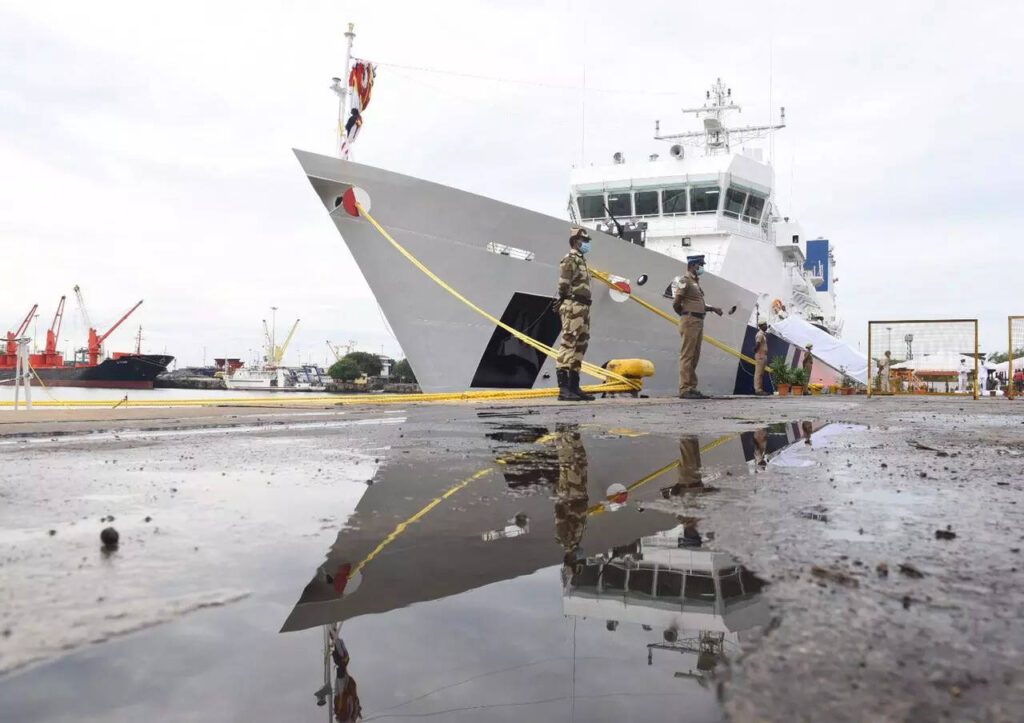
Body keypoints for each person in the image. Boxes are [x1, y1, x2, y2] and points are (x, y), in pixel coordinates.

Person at [673, 255, 724, 399]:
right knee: (687, 355)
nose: (702, 268)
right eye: (700, 265)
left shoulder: (695, 283)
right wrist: (685, 315)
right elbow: (676, 302)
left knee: (695, 356)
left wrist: (713, 308)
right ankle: (684, 389)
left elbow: (697, 304)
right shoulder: (685, 281)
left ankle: (691, 387)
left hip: (698, 321)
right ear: (693, 265)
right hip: (690, 321)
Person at [556, 227, 594, 402]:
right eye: (584, 241)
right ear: (576, 242)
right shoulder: (570, 259)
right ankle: (563, 389)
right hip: (573, 305)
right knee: (569, 342)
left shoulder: (582, 260)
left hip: (584, 306)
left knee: (581, 344)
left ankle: (573, 385)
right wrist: (565, 299)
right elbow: (564, 284)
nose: (586, 244)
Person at [554, 425, 589, 584]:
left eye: (578, 560)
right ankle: (572, 435)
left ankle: (563, 434)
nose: (582, 557)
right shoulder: (575, 541)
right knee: (580, 460)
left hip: (571, 493)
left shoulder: (565, 539)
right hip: (578, 494)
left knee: (568, 461)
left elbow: (560, 512)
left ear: (571, 558)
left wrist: (563, 494)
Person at [753, 321, 769, 395]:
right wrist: (757, 351)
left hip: (763, 355)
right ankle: (757, 389)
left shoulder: (763, 334)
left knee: (761, 373)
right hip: (760, 355)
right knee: (758, 373)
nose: (766, 326)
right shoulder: (760, 334)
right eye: (765, 325)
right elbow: (758, 344)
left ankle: (760, 389)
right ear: (761, 326)